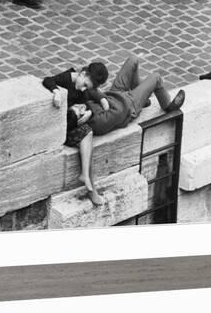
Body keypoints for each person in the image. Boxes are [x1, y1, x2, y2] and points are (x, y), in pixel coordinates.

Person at [68, 56, 185, 137]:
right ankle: (168, 106)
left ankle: (143, 97)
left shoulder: (84, 107)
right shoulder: (98, 123)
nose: (80, 106)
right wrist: (93, 112)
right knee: (156, 77)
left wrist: (102, 99)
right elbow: (119, 112)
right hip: (130, 104)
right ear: (81, 120)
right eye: (79, 111)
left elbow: (91, 92)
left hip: (114, 93)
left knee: (133, 60)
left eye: (76, 106)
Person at [42, 62, 109, 205]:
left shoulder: (81, 86)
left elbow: (85, 101)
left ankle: (85, 175)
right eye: (84, 84)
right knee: (87, 140)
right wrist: (56, 91)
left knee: (88, 135)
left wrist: (88, 112)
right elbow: (48, 80)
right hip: (62, 129)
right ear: (83, 74)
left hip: (71, 124)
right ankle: (91, 187)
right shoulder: (66, 79)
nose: (83, 88)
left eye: (87, 87)